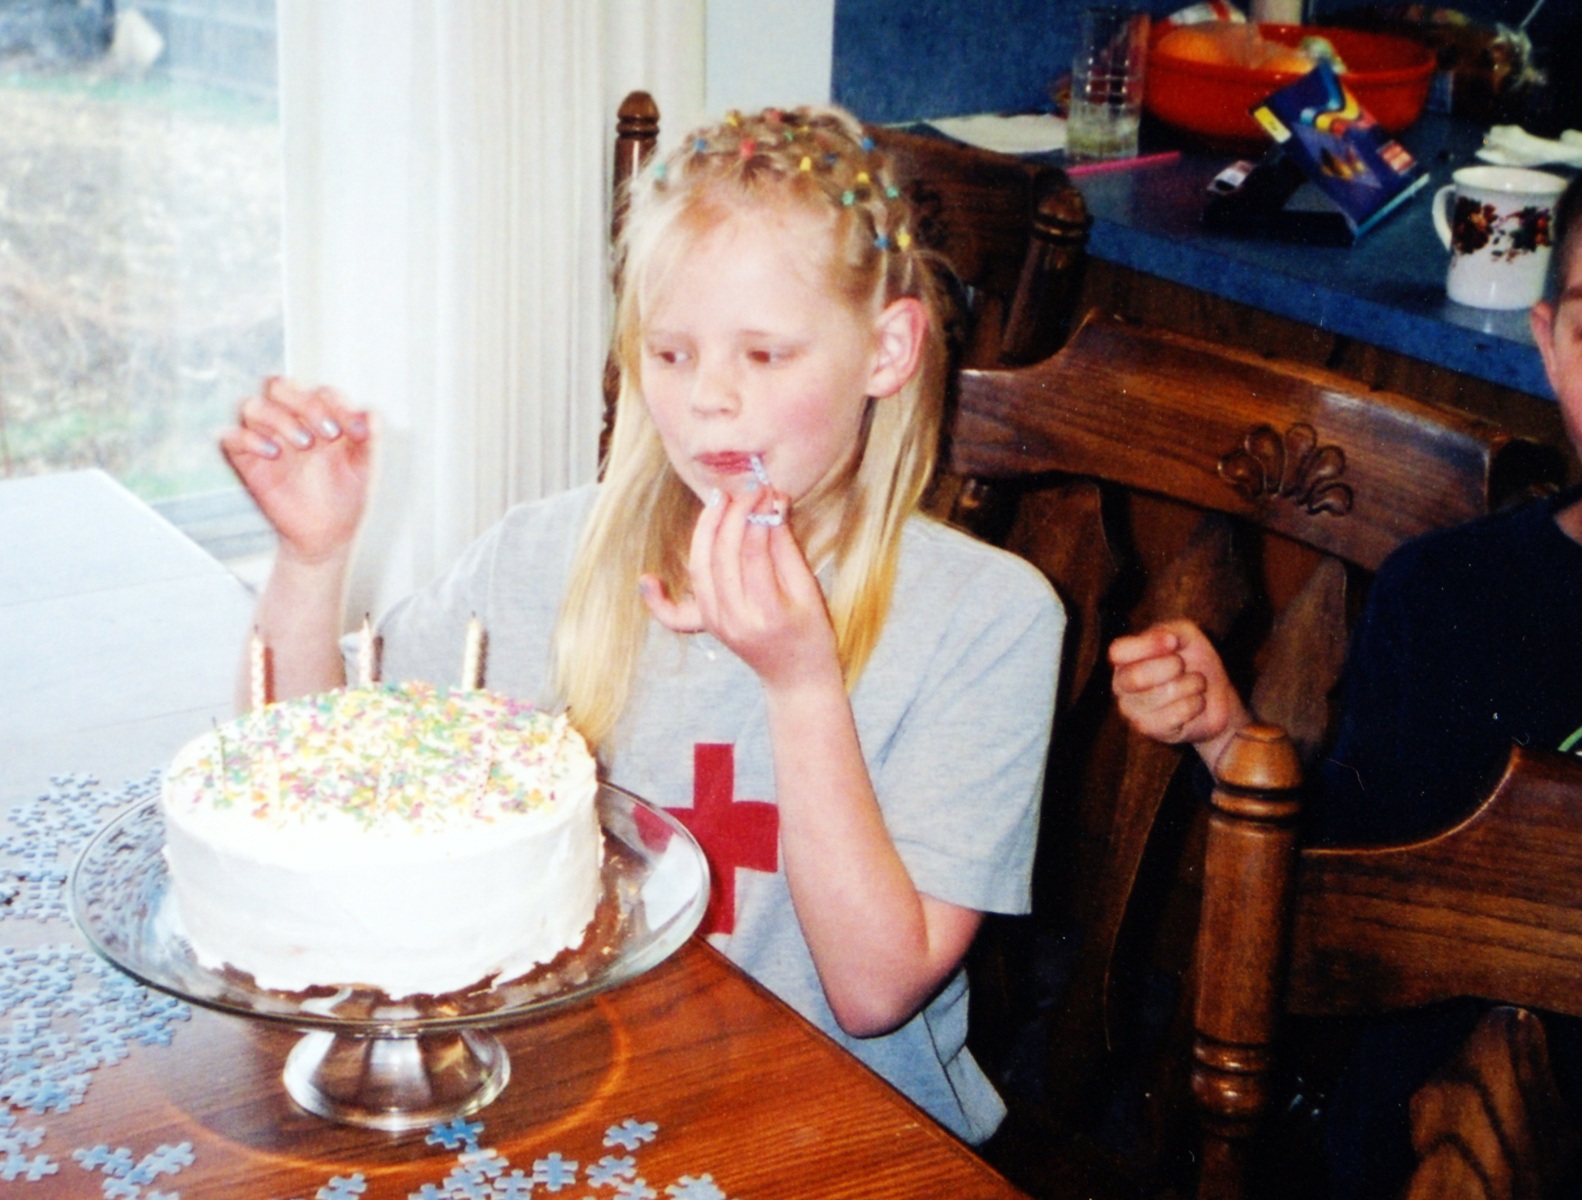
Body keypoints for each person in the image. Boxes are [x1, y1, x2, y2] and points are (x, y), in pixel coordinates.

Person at [220, 104, 1065, 1144]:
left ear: (886, 350)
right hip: (569, 1093)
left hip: (841, 1134)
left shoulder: (991, 619)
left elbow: (873, 993)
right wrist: (312, 562)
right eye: (669, 353)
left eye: (765, 355)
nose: (709, 398)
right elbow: (306, 790)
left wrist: (800, 682)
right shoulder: (543, 558)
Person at [1109, 98, 1582, 1196]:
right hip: (1427, 1161)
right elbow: (1341, 901)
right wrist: (1230, 740)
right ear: (1547, 343)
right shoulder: (1450, 596)